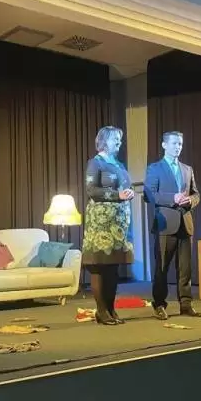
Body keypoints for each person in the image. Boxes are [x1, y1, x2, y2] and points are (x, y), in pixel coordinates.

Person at [144, 131, 201, 320]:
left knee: (185, 269)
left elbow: (196, 194)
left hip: (185, 223)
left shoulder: (187, 169)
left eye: (180, 144)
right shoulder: (155, 168)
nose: (178, 147)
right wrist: (173, 198)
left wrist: (191, 201)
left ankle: (186, 304)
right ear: (164, 145)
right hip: (165, 225)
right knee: (161, 268)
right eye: (174, 143)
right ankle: (159, 304)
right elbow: (149, 195)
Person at [81, 126, 135, 325]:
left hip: (118, 224)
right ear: (104, 141)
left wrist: (128, 192)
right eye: (115, 139)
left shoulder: (119, 164)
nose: (119, 143)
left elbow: (125, 186)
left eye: (120, 139)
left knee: (113, 268)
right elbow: (91, 190)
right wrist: (116, 195)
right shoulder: (95, 163)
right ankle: (101, 311)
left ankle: (111, 309)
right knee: (100, 267)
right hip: (101, 223)